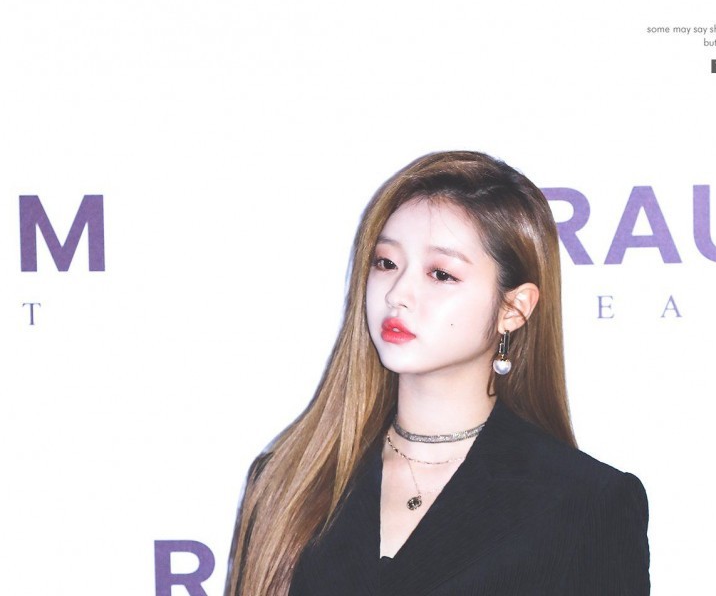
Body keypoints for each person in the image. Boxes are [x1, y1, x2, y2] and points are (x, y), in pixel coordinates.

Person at [225, 151, 650, 596]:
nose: (398, 293)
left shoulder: (587, 502)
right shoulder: (287, 480)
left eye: (441, 274)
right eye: (386, 263)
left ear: (513, 308)